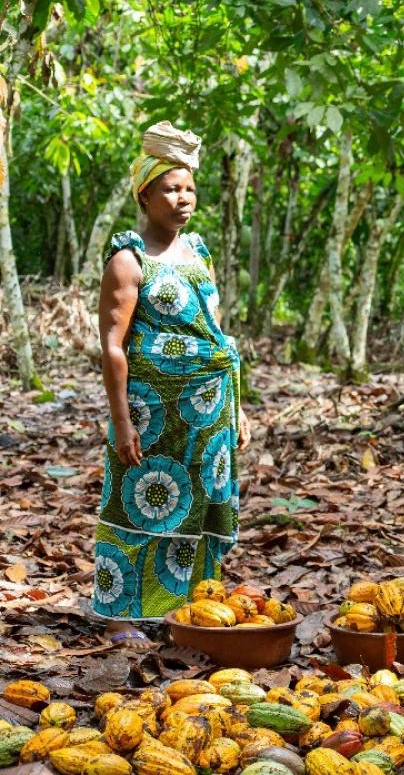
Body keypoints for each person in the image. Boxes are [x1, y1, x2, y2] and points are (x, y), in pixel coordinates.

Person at [92, 122, 248, 647]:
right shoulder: (128, 260)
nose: (183, 199)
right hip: (150, 407)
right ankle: (120, 614)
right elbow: (113, 345)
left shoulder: (199, 253)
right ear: (144, 194)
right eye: (170, 189)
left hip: (208, 406)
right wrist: (122, 421)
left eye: (189, 189)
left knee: (200, 500)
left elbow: (213, 330)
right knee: (136, 499)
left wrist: (238, 408)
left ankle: (187, 606)